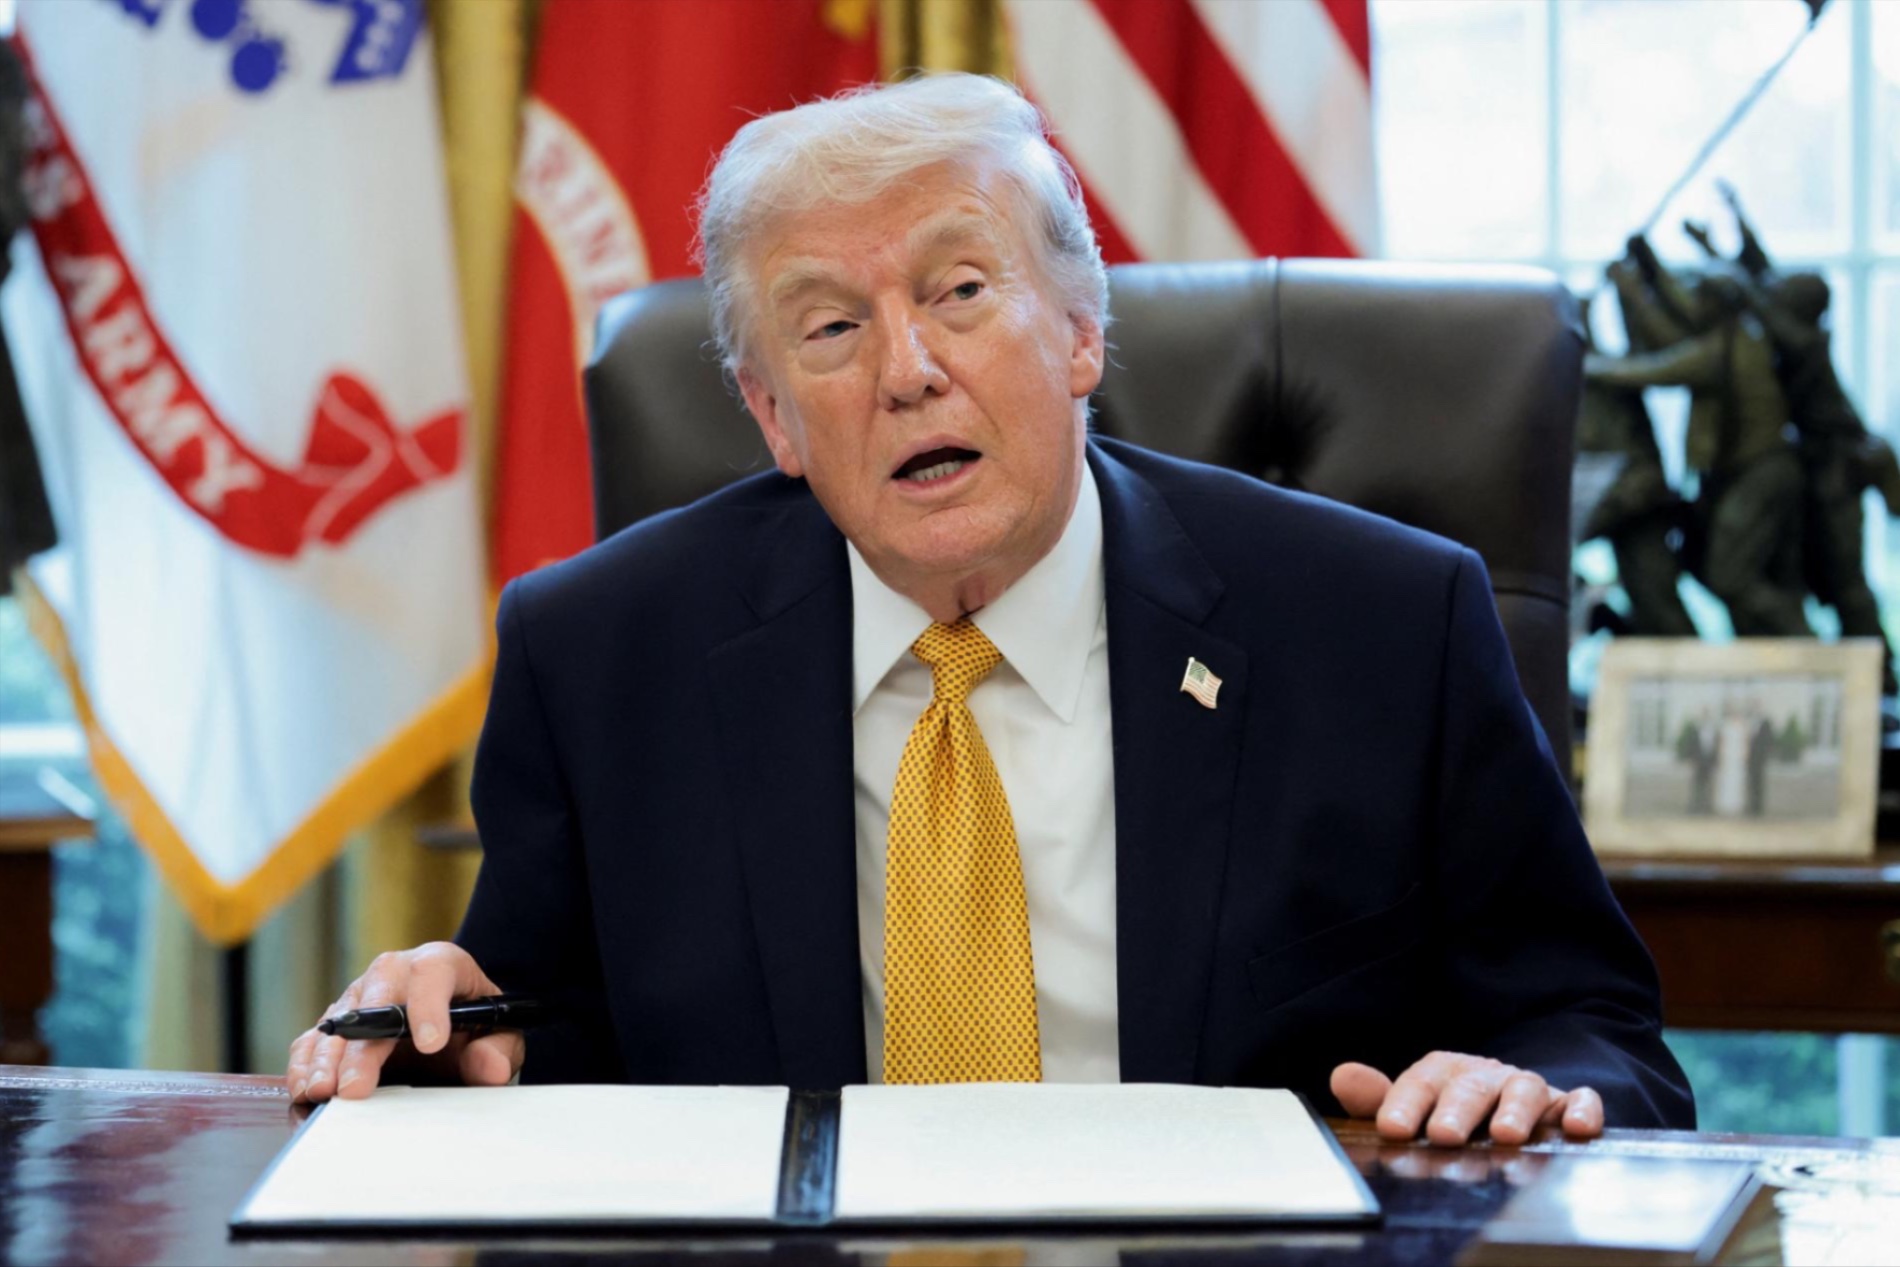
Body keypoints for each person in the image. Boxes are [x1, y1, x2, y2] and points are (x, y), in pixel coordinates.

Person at [286, 74, 1693, 1145]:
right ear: (772, 415)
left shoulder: (1382, 625)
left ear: (1080, 333)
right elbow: (542, 1041)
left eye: (961, 291)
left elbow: (1600, 1033)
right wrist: (450, 1031)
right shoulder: (597, 656)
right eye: (831, 327)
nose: (907, 371)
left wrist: (1523, 1083)